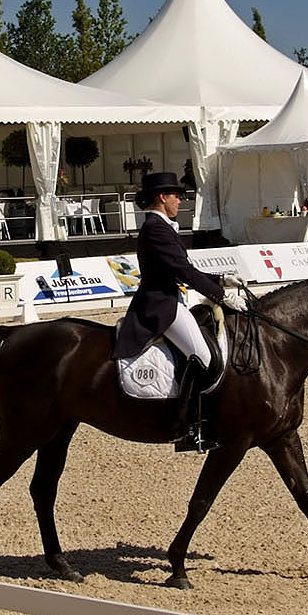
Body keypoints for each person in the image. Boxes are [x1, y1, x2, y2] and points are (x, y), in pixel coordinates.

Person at [113, 171, 246, 453]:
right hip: (161, 305)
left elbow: (184, 268)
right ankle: (187, 426)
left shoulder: (161, 226)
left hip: (170, 300)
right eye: (176, 196)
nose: (179, 202)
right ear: (162, 197)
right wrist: (221, 296)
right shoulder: (155, 228)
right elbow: (181, 270)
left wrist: (221, 278)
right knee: (206, 359)